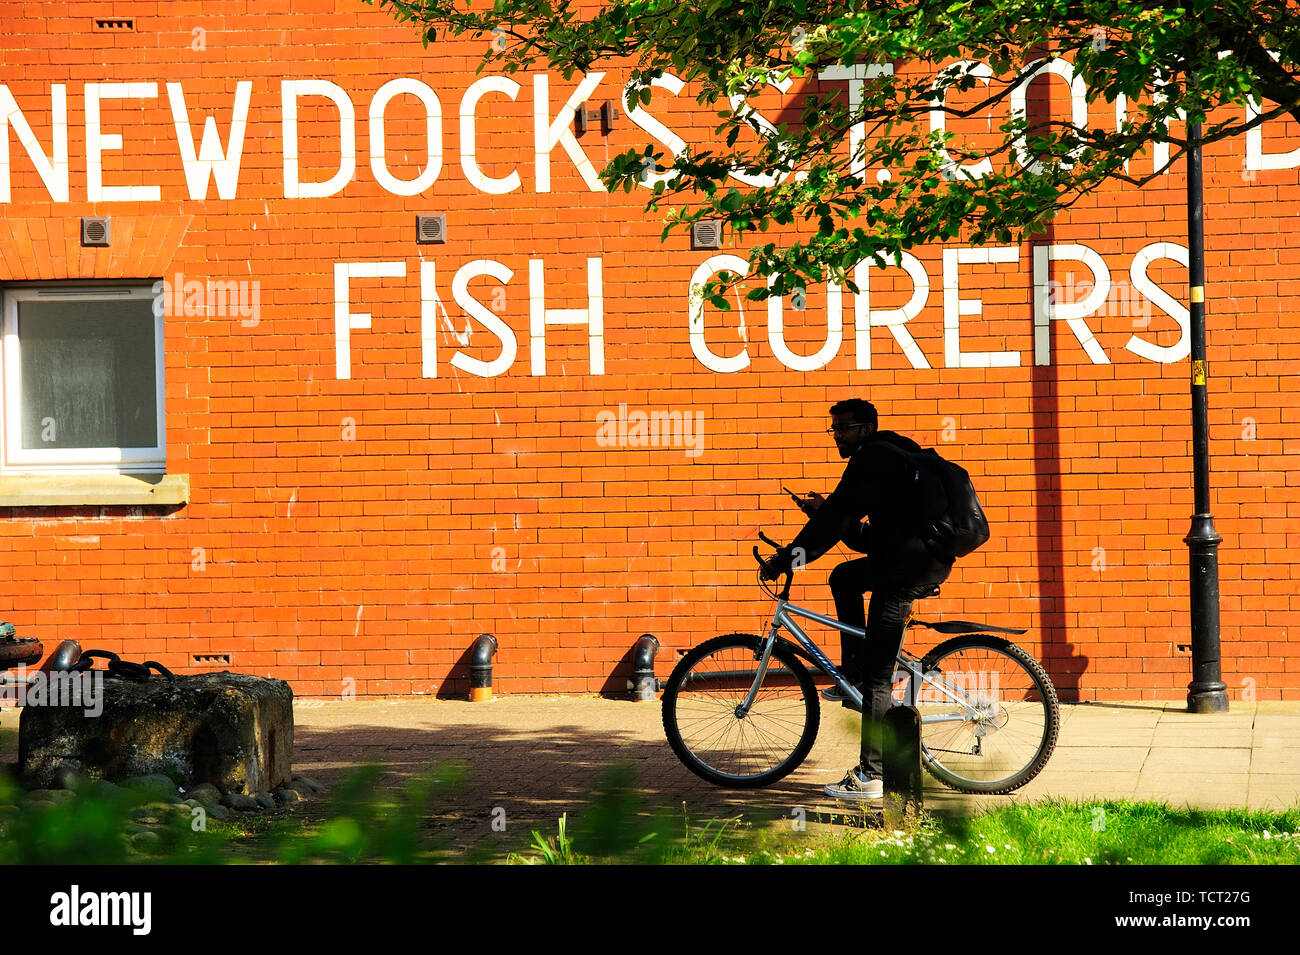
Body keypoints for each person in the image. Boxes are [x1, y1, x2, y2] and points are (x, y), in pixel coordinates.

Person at [761, 398, 953, 801]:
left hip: (906, 572)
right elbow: (858, 532)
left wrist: (786, 560)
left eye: (844, 428)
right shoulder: (888, 455)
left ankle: (872, 774)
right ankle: (854, 669)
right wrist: (822, 514)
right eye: (833, 429)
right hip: (906, 559)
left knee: (879, 680)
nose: (837, 436)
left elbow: (836, 523)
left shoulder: (873, 459)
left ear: (866, 428)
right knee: (844, 577)